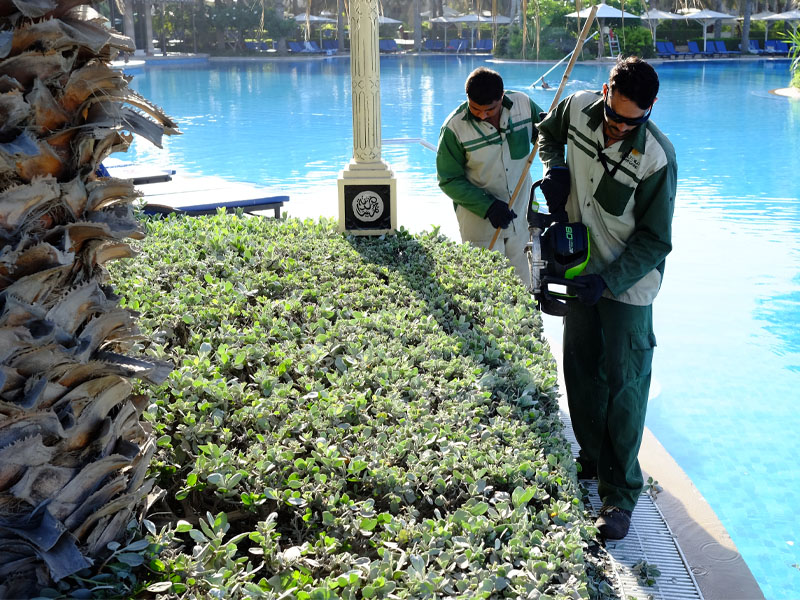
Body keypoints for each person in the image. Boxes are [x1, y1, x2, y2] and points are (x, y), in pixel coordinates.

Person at [537, 56, 677, 540]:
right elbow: (547, 133)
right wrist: (555, 168)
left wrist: (611, 281)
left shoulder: (658, 158)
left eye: (629, 121)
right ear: (603, 91)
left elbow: (656, 240)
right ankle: (593, 459)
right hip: (580, 269)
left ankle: (619, 496)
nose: (617, 127)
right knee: (580, 368)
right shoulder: (576, 109)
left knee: (625, 386)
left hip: (629, 285)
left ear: (650, 109)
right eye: (612, 114)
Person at [436, 67, 545, 287]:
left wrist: (551, 166)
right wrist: (488, 206)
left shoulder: (523, 105)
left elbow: (546, 137)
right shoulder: (454, 128)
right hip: (480, 224)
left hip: (520, 219)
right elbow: (448, 179)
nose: (483, 115)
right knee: (487, 289)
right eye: (476, 109)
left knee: (523, 289)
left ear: (502, 96)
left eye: (490, 109)